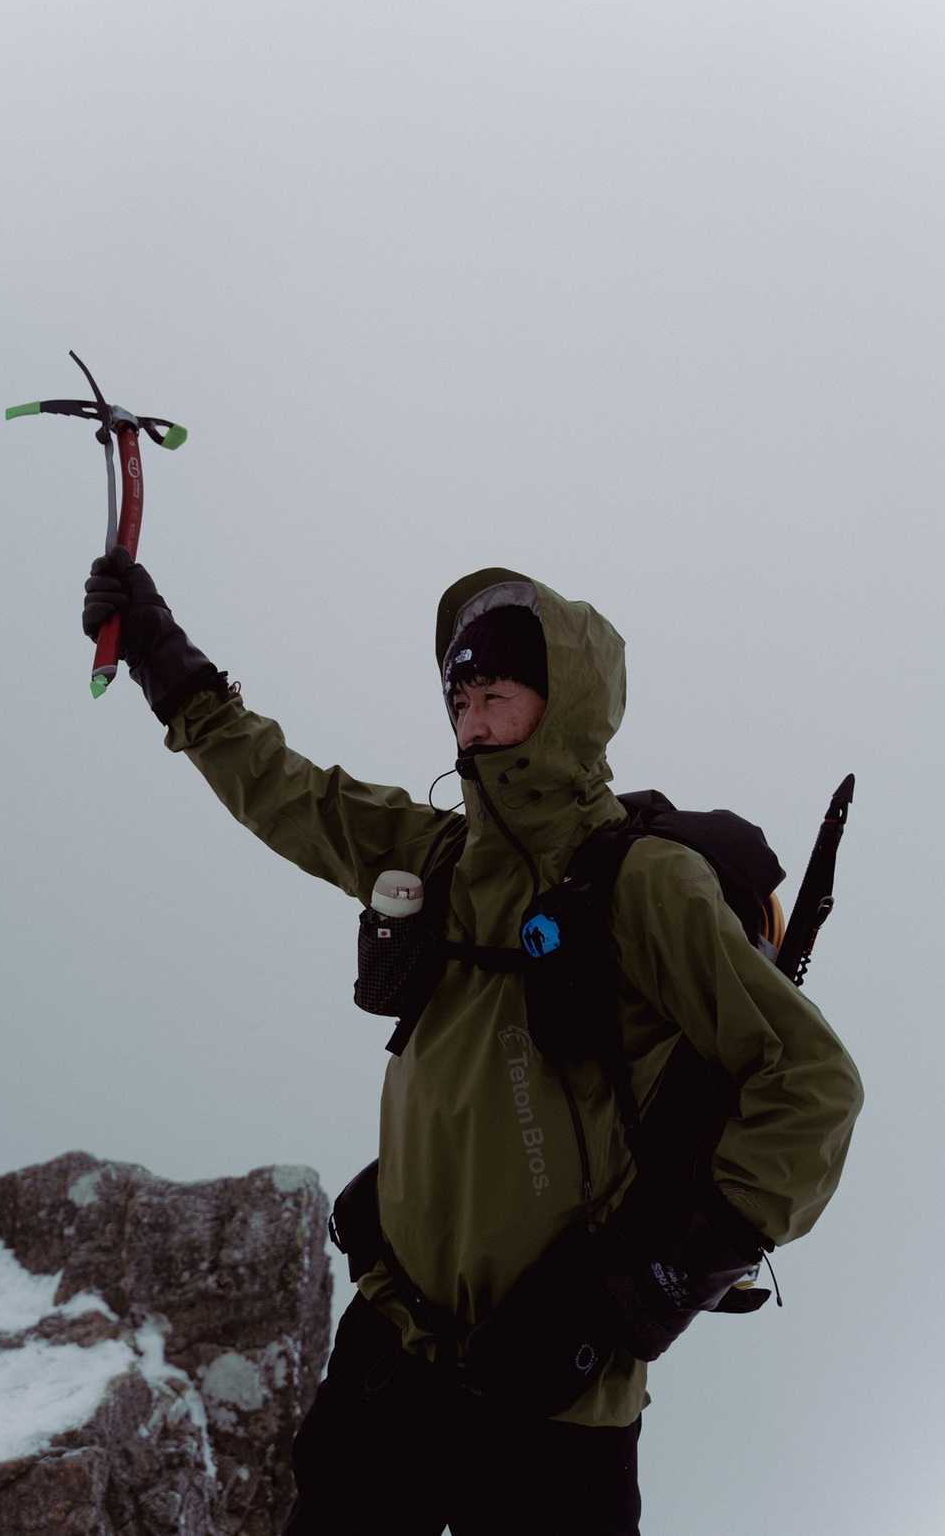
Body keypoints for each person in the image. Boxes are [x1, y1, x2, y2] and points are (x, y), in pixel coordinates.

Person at [82, 554, 863, 1535]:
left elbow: (813, 1083)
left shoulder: (644, 884)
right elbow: (290, 796)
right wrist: (163, 660)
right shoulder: (442, 855)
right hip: (395, 1349)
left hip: (557, 1400)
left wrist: (660, 1283)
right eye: (460, 700)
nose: (473, 724)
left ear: (561, 706)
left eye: (497, 695)